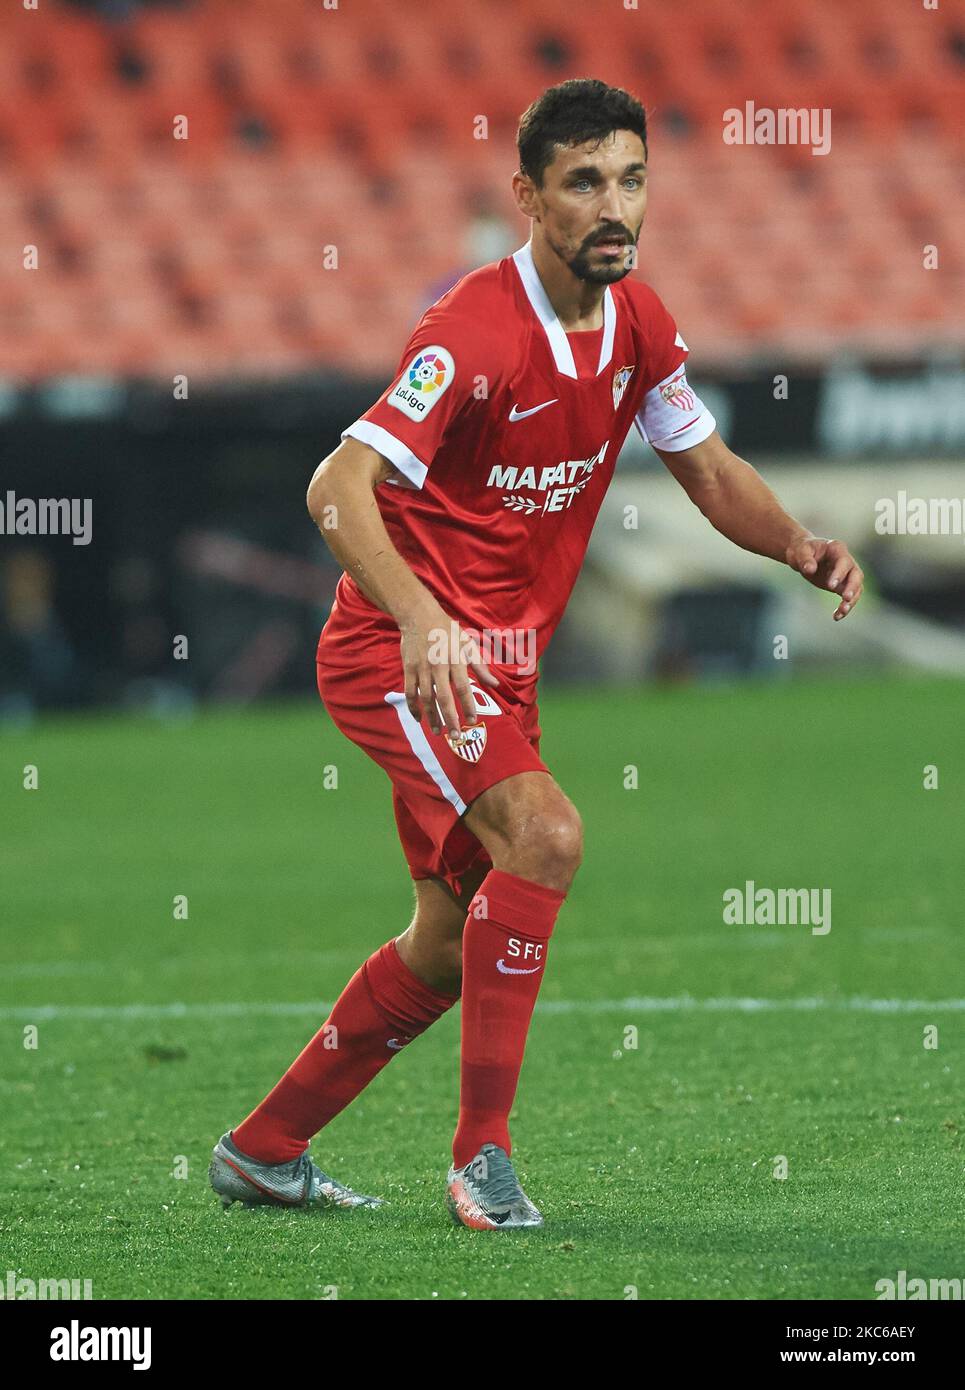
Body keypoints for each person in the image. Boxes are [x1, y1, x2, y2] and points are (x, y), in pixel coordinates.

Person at [209, 78, 863, 1230]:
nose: (613, 206)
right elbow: (334, 486)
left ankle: (264, 1150)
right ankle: (482, 1157)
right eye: (583, 183)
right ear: (527, 195)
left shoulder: (640, 326)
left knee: (450, 943)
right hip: (394, 656)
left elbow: (707, 471)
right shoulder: (469, 332)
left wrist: (797, 544)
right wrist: (418, 618)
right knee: (548, 835)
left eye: (631, 178)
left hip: (495, 674)